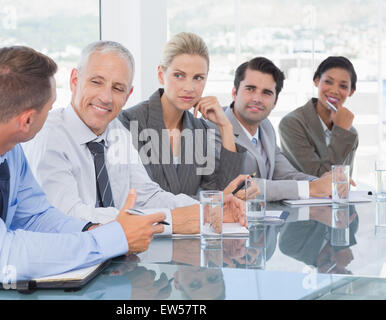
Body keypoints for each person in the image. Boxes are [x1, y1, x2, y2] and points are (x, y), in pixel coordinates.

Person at [0, 46, 167, 284]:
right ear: (27, 120)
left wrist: (100, 231)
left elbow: (37, 218)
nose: (52, 113)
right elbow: (5, 259)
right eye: (49, 106)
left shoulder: (10, 149)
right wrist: (113, 239)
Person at [23, 40, 246, 235]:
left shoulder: (117, 131)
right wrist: (172, 220)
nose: (106, 97)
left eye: (118, 88)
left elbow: (148, 196)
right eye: (96, 82)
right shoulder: (50, 135)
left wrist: (206, 210)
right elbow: (68, 216)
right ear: (74, 80)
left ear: (128, 95)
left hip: (117, 260)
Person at [118, 32, 247, 197]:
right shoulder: (130, 122)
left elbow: (222, 194)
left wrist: (225, 127)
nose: (189, 87)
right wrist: (207, 203)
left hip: (191, 221)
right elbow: (142, 198)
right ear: (160, 75)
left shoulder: (200, 129)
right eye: (179, 75)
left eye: (198, 78)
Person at [213, 57, 336, 201]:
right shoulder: (213, 127)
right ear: (234, 93)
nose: (257, 99)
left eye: (266, 93)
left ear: (275, 102)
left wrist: (325, 183)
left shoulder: (265, 127)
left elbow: (286, 174)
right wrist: (311, 188)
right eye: (250, 89)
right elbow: (237, 187)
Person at [278, 56, 358, 177]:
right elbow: (320, 179)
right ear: (316, 80)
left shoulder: (350, 132)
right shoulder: (292, 123)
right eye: (328, 82)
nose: (334, 90)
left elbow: (343, 183)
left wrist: (342, 131)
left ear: (351, 91)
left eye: (343, 86)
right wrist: (341, 133)